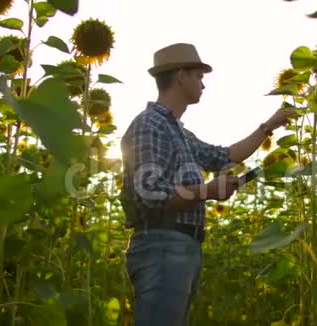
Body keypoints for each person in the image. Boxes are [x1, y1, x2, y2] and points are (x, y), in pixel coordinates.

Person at [120, 43, 294, 326]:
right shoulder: (149, 124)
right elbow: (150, 194)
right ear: (180, 75)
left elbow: (224, 156)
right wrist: (210, 191)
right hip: (162, 245)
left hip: (182, 247)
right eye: (199, 76)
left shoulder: (180, 132)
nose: (203, 84)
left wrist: (269, 127)